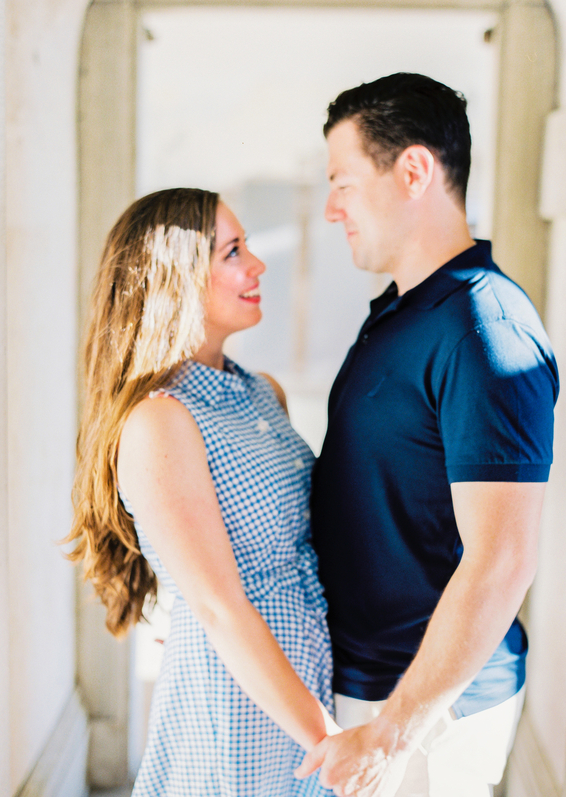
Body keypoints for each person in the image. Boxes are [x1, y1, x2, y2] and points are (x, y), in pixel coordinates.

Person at [295, 73, 559, 797]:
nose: (330, 208)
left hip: (427, 711)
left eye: (343, 182)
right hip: (371, 688)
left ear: (413, 170)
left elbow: (503, 557)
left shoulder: (485, 328)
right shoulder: (399, 312)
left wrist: (397, 726)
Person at [64, 188, 339, 797]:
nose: (258, 265)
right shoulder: (159, 420)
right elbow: (218, 607)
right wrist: (327, 741)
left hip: (310, 674)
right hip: (240, 702)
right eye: (233, 251)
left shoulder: (263, 392)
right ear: (176, 276)